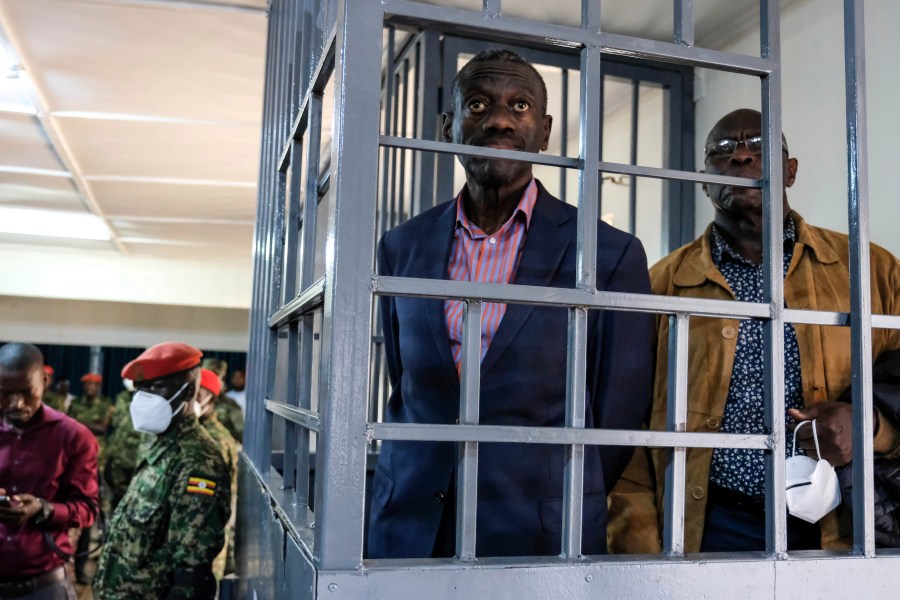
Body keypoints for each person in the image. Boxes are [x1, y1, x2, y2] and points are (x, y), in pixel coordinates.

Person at [367, 49, 654, 559]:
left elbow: (618, 417)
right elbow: (405, 377)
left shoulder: (609, 253)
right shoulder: (401, 246)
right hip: (411, 520)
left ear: (544, 133)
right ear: (448, 126)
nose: (499, 119)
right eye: (477, 104)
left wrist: (560, 495)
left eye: (519, 106)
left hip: (541, 529)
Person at [607, 108, 900, 553]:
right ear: (702, 179)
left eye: (759, 146)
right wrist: (641, 551)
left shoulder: (869, 269)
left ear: (790, 170)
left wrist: (873, 426)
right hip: (709, 525)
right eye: (722, 151)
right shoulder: (660, 284)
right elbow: (627, 425)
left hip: (842, 522)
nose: (741, 157)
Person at [93, 342, 231, 600]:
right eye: (140, 388)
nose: (143, 397)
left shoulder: (197, 461)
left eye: (155, 388)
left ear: (188, 391)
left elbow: (190, 574)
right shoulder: (162, 445)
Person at [0, 342, 99, 600]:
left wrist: (43, 509)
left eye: (26, 392)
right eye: (4, 393)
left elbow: (88, 508)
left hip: (44, 587)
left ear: (44, 381)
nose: (16, 403)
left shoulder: (73, 437)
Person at [66, 372, 113, 584]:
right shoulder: (76, 403)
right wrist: (87, 423)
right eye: (86, 385)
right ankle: (74, 570)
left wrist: (79, 422)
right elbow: (68, 424)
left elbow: (102, 427)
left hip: (99, 465)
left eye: (93, 385)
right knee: (77, 516)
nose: (89, 388)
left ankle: (99, 568)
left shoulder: (106, 403)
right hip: (76, 464)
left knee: (99, 515)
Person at [195, 368, 239, 579]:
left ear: (211, 397)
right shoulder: (198, 432)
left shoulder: (215, 440)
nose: (192, 399)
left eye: (198, 394)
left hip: (205, 536)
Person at [103, 379, 145, 511]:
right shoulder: (121, 398)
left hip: (136, 456)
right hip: (117, 454)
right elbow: (116, 423)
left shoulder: (148, 399)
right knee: (115, 494)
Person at [201, 358, 243, 442]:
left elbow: (240, 436)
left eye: (214, 376)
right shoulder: (193, 400)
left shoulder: (230, 405)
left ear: (222, 380)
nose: (209, 380)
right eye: (206, 376)